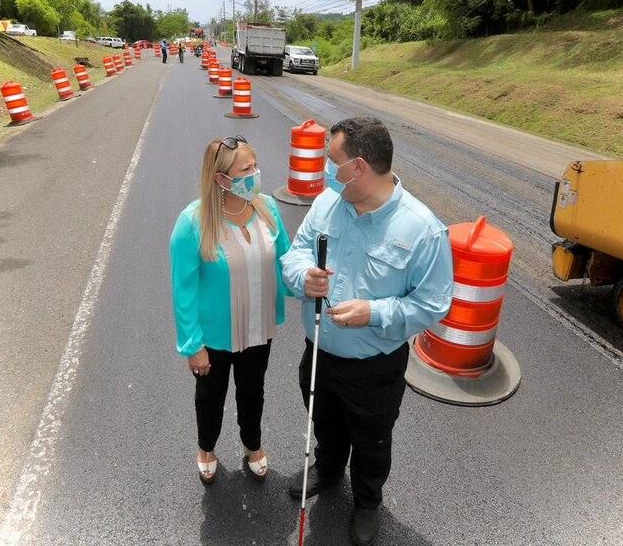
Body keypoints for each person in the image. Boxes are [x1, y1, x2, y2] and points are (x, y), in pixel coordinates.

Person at [281, 116, 453, 546]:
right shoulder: (327, 203)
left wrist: (373, 313)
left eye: (333, 161)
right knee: (324, 419)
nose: (326, 170)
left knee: (372, 439)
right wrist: (303, 277)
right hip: (319, 351)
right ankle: (328, 467)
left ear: (358, 167)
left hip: (374, 367)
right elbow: (296, 253)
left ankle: (367, 502)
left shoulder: (423, 230)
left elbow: (432, 304)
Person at [170, 136, 291, 486]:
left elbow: (287, 258)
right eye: (245, 170)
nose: (254, 175)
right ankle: (206, 448)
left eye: (255, 166)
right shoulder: (193, 222)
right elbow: (183, 289)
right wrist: (192, 345)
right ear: (221, 179)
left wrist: (308, 282)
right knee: (211, 397)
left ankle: (252, 443)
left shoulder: (267, 207)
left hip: (258, 328)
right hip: (214, 337)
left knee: (253, 391)